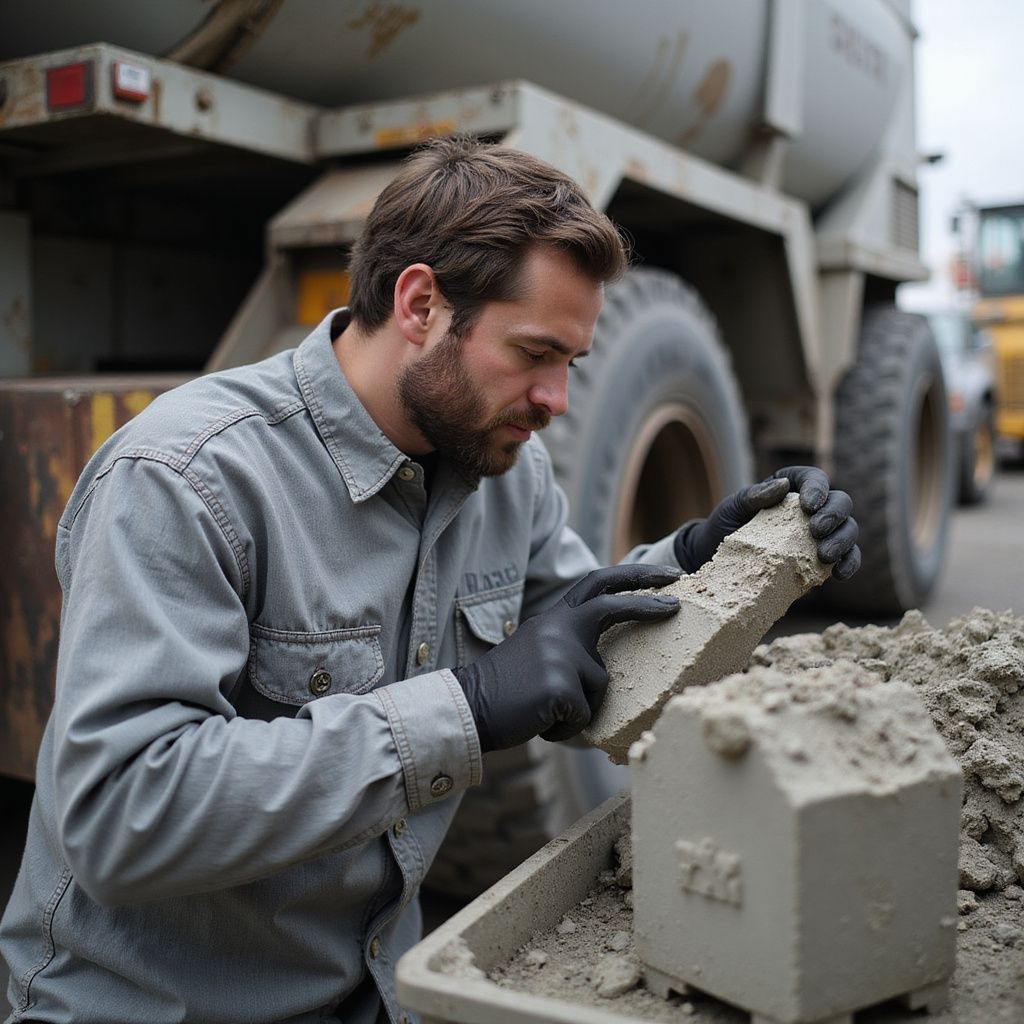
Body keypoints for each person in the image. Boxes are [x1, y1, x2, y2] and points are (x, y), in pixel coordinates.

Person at [0, 137, 859, 1024]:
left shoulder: (500, 470)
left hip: (375, 991)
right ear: (419, 305)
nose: (556, 399)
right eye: (534, 353)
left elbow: (572, 642)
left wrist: (697, 563)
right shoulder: (187, 481)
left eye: (572, 363)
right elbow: (120, 815)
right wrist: (466, 708)